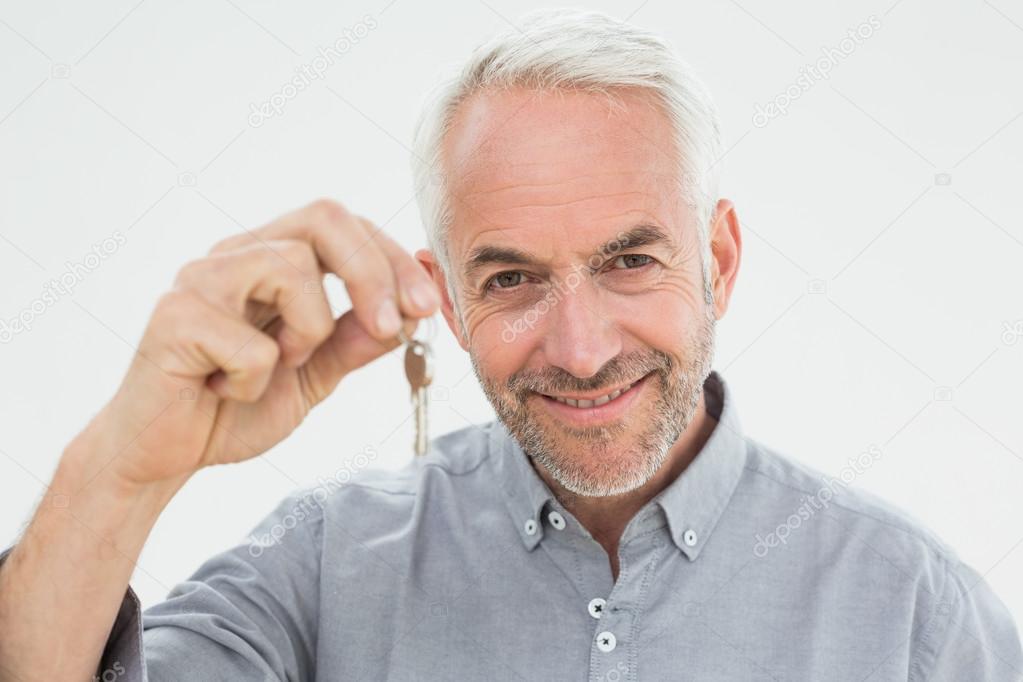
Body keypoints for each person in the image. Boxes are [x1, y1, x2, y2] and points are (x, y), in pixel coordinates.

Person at [1, 8, 1019, 681]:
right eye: (513, 279)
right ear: (445, 299)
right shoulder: (318, 566)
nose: (578, 350)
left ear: (718, 256)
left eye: (629, 260)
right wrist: (122, 468)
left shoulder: (915, 616)